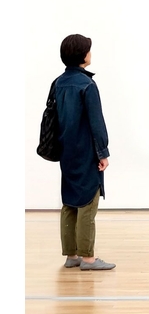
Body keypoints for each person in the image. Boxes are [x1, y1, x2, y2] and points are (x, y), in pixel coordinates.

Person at [55, 34, 115, 270]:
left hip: (66, 150)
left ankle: (71, 256)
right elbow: (96, 123)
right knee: (88, 203)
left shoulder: (58, 83)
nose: (91, 53)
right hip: (86, 151)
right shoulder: (87, 85)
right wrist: (103, 152)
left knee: (69, 202)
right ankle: (88, 258)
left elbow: (52, 118)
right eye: (89, 50)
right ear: (82, 56)